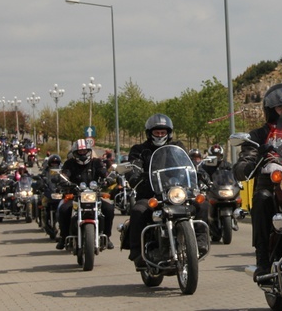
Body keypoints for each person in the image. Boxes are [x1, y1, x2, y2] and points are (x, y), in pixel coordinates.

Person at [233, 83, 282, 281]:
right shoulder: (258, 135)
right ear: (271, 111)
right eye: (281, 108)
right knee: (262, 199)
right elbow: (244, 161)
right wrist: (252, 160)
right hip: (271, 186)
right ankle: (262, 259)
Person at [126, 114, 210, 267]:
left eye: (163, 132)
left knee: (202, 203)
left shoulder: (177, 147)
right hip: (151, 193)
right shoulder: (140, 149)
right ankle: (137, 252)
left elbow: (188, 163)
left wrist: (199, 172)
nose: (159, 135)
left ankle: (200, 240)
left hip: (177, 191)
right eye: (156, 132)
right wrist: (133, 174)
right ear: (149, 133)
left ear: (168, 133)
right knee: (138, 210)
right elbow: (134, 165)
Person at [56, 139, 115, 250]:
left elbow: (104, 172)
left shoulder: (96, 162)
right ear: (75, 153)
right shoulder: (70, 164)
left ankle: (107, 236)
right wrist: (64, 180)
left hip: (94, 195)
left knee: (109, 209)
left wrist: (108, 178)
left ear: (88, 151)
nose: (82, 154)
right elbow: (65, 174)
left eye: (84, 151)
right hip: (76, 196)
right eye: (80, 152)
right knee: (64, 209)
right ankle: (63, 237)